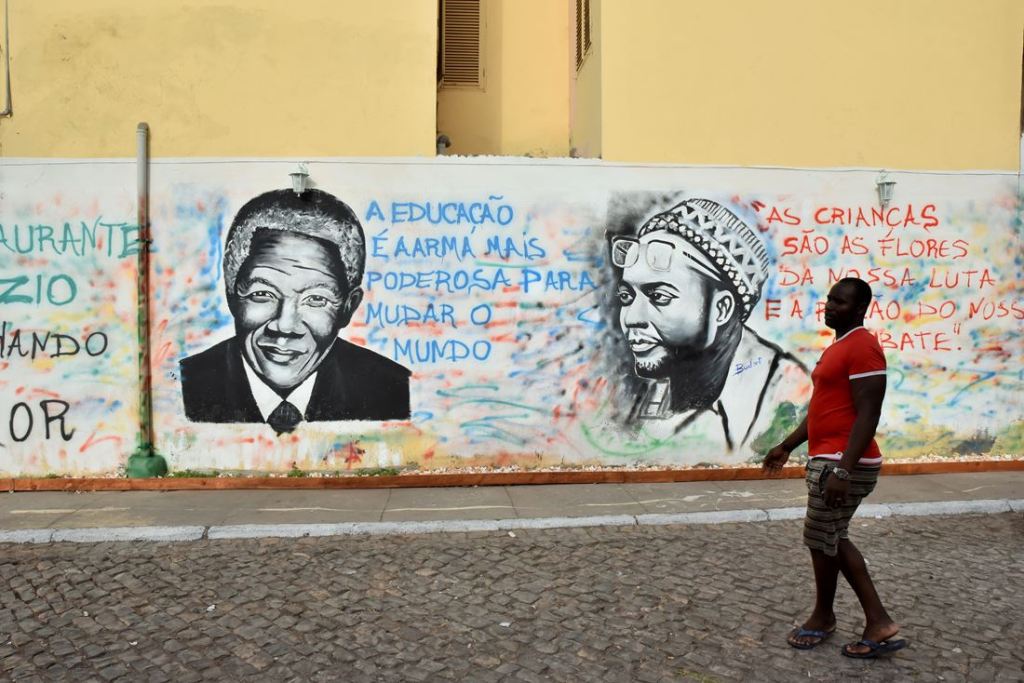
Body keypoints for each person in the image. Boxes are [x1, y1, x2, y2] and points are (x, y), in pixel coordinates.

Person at [180, 188, 410, 432]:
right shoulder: (183, 385)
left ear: (348, 307)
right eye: (262, 294)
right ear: (231, 294)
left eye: (315, 299)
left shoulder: (391, 389)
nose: (285, 326)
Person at [763, 277, 907, 658]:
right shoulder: (838, 347)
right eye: (829, 299)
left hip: (844, 464)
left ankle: (866, 621)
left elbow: (868, 413)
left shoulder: (863, 347)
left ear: (860, 309)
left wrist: (844, 469)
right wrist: (787, 445)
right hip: (828, 459)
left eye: (840, 302)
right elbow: (823, 409)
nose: (829, 306)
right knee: (827, 539)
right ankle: (836, 616)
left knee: (827, 537)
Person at [611, 198, 807, 453]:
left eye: (659, 296)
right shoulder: (659, 387)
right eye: (627, 297)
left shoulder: (786, 395)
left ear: (721, 309)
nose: (631, 318)